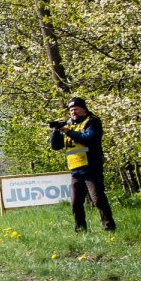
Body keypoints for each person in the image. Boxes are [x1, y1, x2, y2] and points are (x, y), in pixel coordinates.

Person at [50, 96, 117, 232]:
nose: (73, 112)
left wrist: (67, 131)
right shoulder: (69, 125)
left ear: (84, 110)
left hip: (91, 168)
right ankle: (80, 230)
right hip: (75, 170)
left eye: (76, 109)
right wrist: (56, 131)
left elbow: (88, 139)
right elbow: (56, 146)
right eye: (71, 110)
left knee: (98, 199)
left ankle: (109, 227)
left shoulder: (92, 122)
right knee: (75, 203)